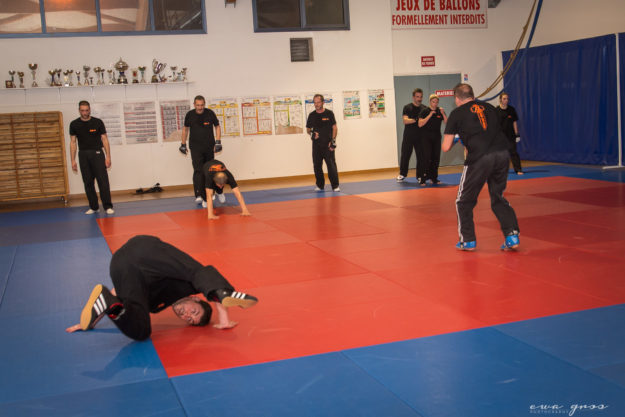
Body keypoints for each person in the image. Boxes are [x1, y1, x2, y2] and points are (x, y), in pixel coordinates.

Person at [65, 235, 258, 341]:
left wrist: (89, 322)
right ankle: (221, 292)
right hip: (147, 250)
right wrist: (224, 318)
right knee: (195, 272)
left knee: (141, 331)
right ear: (196, 299)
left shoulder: (156, 305)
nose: (186, 315)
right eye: (193, 311)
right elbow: (202, 274)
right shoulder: (189, 287)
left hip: (121, 265)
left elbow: (117, 291)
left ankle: (111, 307)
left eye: (188, 319)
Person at [442, 83, 520, 251]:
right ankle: (512, 235)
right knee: (498, 196)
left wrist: (457, 137)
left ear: (457, 99)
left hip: (480, 158)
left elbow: (446, 147)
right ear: (472, 95)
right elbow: (489, 131)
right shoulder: (490, 108)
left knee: (463, 201)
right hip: (502, 154)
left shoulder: (457, 113)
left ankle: (468, 241)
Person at [69, 100, 114, 215]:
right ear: (79, 111)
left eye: (86, 110)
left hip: (97, 153)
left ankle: (107, 206)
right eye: (82, 110)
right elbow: (73, 142)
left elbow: (105, 139)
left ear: (90, 110)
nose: (85, 113)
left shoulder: (97, 122)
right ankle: (94, 207)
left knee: (103, 181)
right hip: (83, 155)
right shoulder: (74, 124)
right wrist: (72, 160)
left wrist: (108, 156)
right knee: (88, 182)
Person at [180, 95, 222, 206]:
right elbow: (185, 129)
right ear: (194, 105)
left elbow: (217, 126)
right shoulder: (190, 115)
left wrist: (218, 141)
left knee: (210, 170)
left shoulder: (210, 113)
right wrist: (183, 144)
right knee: (198, 171)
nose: (200, 107)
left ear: (204, 104)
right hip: (195, 148)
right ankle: (199, 194)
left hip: (209, 147)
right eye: (198, 105)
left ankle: (211, 192)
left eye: (202, 105)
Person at [306, 94, 339, 192]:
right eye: (315, 102)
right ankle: (320, 185)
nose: (316, 104)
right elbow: (308, 129)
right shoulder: (312, 115)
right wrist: (311, 133)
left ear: (323, 102)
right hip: (316, 145)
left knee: (331, 165)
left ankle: (335, 186)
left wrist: (333, 141)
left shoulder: (329, 113)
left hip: (328, 145)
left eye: (318, 102)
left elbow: (334, 128)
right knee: (317, 166)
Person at [397, 88, 427, 182]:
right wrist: (416, 119)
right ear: (413, 97)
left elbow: (425, 122)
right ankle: (402, 174)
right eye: (417, 97)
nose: (419, 99)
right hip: (408, 136)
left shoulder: (425, 108)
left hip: (420, 136)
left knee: (421, 156)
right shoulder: (407, 107)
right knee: (405, 155)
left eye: (421, 97)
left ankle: (420, 175)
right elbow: (405, 121)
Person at [418, 94, 447, 186]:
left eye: (436, 102)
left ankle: (434, 178)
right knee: (426, 158)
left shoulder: (439, 111)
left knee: (435, 158)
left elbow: (447, 123)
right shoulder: (424, 111)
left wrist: (443, 113)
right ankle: (422, 179)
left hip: (437, 137)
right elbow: (420, 124)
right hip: (426, 138)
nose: (435, 104)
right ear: (430, 102)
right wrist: (430, 115)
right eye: (433, 102)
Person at [496, 92, 523, 174]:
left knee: (514, 153)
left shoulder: (511, 110)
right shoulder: (496, 110)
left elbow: (514, 122)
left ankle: (518, 170)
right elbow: (494, 124)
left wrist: (517, 134)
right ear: (500, 99)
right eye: (504, 99)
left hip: (511, 135)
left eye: (507, 99)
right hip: (501, 136)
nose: (506, 100)